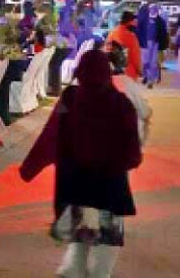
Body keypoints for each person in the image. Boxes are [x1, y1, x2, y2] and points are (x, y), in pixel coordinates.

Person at [19, 50, 142, 278]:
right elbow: (133, 153)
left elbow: (51, 135)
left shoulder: (70, 98)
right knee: (106, 245)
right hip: (109, 189)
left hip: (75, 185)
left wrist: (30, 168)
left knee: (80, 238)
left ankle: (71, 273)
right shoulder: (121, 104)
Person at [138, 4, 169, 89]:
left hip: (155, 44)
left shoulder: (161, 21)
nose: (153, 10)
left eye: (154, 9)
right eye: (151, 9)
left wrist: (164, 46)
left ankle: (150, 81)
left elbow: (164, 34)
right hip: (144, 43)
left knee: (153, 63)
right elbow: (139, 30)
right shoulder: (144, 20)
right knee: (145, 62)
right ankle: (146, 76)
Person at [106, 11, 142, 80]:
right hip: (129, 75)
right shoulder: (131, 37)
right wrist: (139, 71)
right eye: (133, 21)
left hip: (114, 74)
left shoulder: (111, 34)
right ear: (129, 22)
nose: (135, 24)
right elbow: (135, 56)